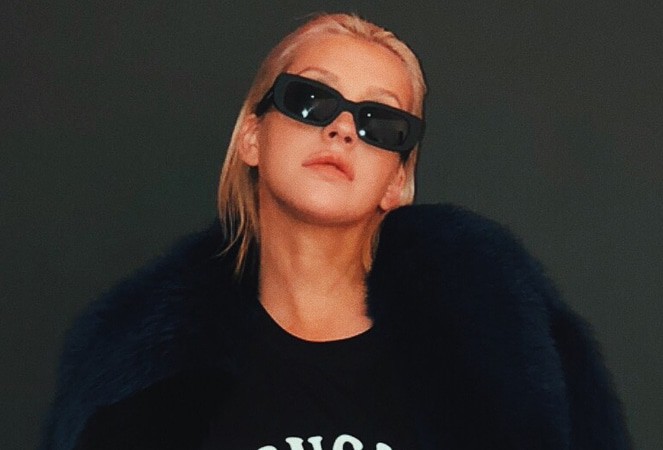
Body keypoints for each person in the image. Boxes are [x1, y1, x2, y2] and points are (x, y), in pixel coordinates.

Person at [40, 13, 630, 450]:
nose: (343, 128)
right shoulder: (135, 376)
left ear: (396, 181)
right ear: (252, 137)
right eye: (311, 99)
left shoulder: (502, 353)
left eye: (381, 122)